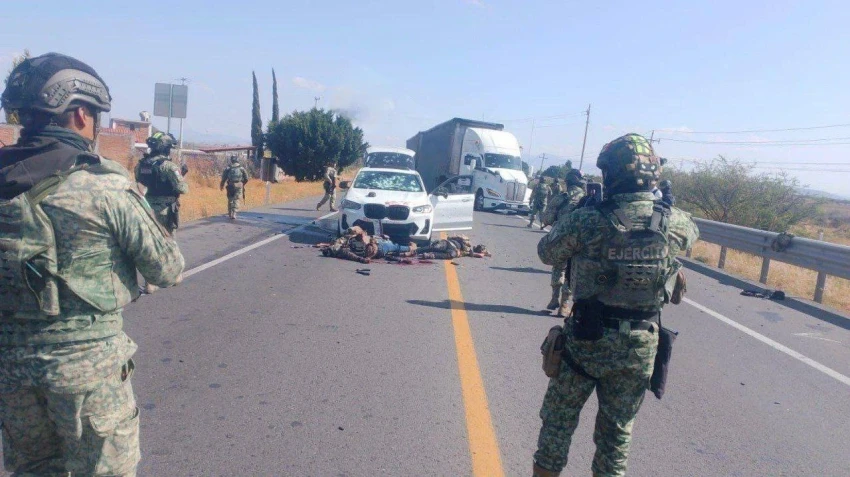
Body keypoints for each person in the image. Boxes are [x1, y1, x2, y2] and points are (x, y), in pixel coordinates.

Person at [0, 52, 184, 477]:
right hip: (87, 372)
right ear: (81, 114)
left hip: (11, 373)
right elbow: (167, 268)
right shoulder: (102, 186)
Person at [532, 133, 698, 477]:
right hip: (639, 347)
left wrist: (581, 212)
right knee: (616, 438)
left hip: (586, 341)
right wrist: (664, 205)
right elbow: (690, 235)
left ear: (611, 174)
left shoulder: (588, 219)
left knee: (557, 427)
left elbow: (547, 252)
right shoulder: (674, 220)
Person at [542, 169, 586, 315]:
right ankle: (564, 305)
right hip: (579, 241)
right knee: (572, 270)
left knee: (558, 267)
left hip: (560, 239)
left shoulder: (561, 198)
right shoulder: (588, 199)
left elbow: (547, 219)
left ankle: (554, 298)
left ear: (567, 182)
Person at [134, 131, 188, 233]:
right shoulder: (169, 166)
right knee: (167, 241)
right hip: (163, 212)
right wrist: (182, 175)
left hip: (144, 209)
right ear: (166, 148)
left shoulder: (140, 165)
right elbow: (182, 189)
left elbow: (138, 182)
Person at [219, 155, 249, 219]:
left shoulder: (228, 168)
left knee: (230, 199)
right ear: (237, 160)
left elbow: (223, 178)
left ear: (231, 160)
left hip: (230, 185)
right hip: (239, 185)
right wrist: (242, 184)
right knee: (236, 199)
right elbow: (246, 178)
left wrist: (221, 185)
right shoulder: (241, 168)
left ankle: (230, 213)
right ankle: (234, 213)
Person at [414, 235, 490, 259]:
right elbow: (450, 238)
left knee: (450, 255)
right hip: (449, 244)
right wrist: (485, 253)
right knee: (434, 247)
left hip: (451, 249)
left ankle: (428, 254)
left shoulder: (469, 251)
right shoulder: (467, 242)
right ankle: (415, 251)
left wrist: (485, 253)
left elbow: (479, 255)